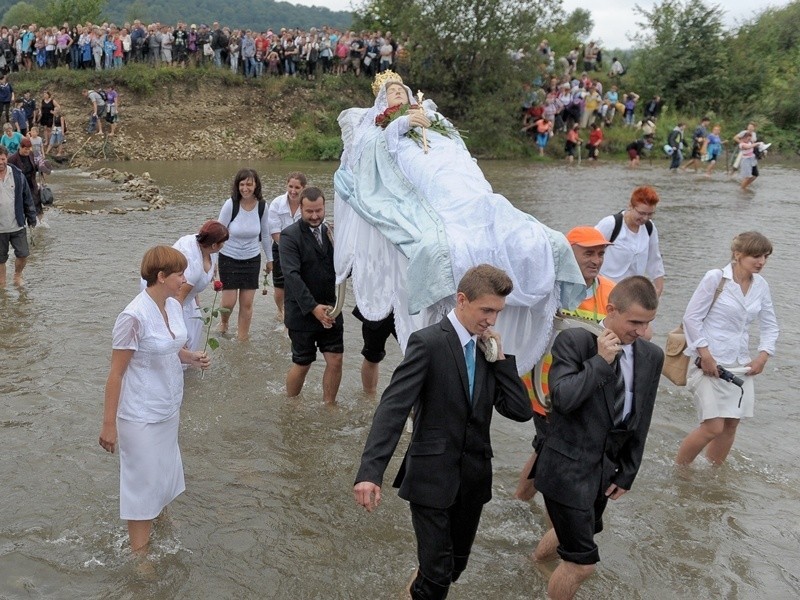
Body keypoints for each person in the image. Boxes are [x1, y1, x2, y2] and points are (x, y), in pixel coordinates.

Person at [334, 72, 585, 374]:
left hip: (448, 161)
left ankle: (487, 213)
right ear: (382, 100)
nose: (398, 94)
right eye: (391, 92)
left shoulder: (431, 113)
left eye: (402, 90)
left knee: (478, 193)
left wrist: (435, 127)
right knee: (441, 186)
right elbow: (371, 152)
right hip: (415, 162)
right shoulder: (379, 124)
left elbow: (456, 148)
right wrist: (401, 124)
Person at [354, 264, 533, 600]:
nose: (492, 320)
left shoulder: (487, 349)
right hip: (430, 477)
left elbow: (520, 411)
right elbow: (392, 410)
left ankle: (414, 589)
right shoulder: (427, 343)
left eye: (498, 312)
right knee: (437, 576)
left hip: (474, 478)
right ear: (462, 300)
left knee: (453, 569)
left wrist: (502, 360)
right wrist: (369, 473)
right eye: (486, 310)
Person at [531, 276, 663, 600]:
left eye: (647, 324)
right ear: (611, 309)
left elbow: (641, 416)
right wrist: (600, 363)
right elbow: (562, 399)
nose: (641, 331)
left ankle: (534, 562)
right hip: (566, 468)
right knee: (581, 565)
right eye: (634, 322)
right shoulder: (574, 342)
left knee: (580, 535)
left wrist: (629, 471)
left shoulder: (651, 356)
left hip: (604, 471)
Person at [98, 246, 211, 554]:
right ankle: (140, 557)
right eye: (179, 274)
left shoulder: (174, 305)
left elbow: (170, 347)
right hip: (140, 415)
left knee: (163, 473)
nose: (185, 279)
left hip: (167, 407)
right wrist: (109, 426)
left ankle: (160, 521)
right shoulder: (132, 317)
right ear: (161, 277)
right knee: (142, 484)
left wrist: (191, 357)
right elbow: (115, 375)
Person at [515, 227, 615, 501]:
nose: (596, 260)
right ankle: (560, 529)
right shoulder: (547, 287)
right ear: (568, 254)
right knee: (559, 458)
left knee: (546, 448)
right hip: (544, 392)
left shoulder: (610, 291)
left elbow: (637, 331)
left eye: (601, 254)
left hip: (584, 391)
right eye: (589, 253)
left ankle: (521, 501)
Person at [676, 232, 778, 466]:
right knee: (712, 426)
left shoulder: (761, 285)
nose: (761, 261)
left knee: (731, 424)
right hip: (708, 362)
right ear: (737, 254)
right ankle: (680, 472)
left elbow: (771, 325)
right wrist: (705, 354)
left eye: (765, 256)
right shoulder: (716, 278)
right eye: (756, 256)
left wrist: (763, 355)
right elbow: (691, 318)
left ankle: (713, 475)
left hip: (741, 364)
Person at [279, 187, 343, 404]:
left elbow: (343, 269)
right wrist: (313, 308)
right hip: (302, 312)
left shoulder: (333, 234)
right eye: (310, 212)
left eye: (319, 211)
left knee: (335, 359)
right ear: (301, 209)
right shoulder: (289, 236)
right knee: (303, 363)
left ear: (324, 207)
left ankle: (329, 405)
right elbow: (291, 276)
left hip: (332, 309)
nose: (315, 216)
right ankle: (291, 405)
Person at [216, 168, 271, 341]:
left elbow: (266, 235)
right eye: (242, 184)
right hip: (229, 257)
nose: (245, 188)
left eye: (249, 184)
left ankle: (242, 338)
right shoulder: (231, 204)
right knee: (228, 303)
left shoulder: (262, 206)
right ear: (237, 186)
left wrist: (271, 259)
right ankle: (224, 322)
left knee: (246, 304)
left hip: (252, 259)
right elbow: (218, 232)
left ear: (256, 185)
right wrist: (211, 260)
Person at [595, 186, 665, 297]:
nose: (645, 218)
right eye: (641, 213)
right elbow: (588, 252)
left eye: (650, 214)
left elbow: (655, 260)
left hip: (632, 294)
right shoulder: (611, 224)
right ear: (630, 206)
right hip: (604, 290)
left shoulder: (649, 228)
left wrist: (658, 289)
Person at [172, 220, 229, 351]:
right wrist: (176, 333)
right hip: (173, 301)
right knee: (184, 342)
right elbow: (176, 300)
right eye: (223, 243)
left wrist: (195, 295)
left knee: (195, 331)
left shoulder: (203, 243)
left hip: (188, 298)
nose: (224, 245)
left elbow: (208, 267)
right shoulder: (193, 268)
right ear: (214, 245)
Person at [266, 171, 306, 321]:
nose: (293, 191)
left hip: (303, 249)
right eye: (290, 186)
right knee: (280, 287)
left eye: (297, 187)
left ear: (304, 188)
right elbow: (274, 232)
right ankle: (281, 311)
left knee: (299, 282)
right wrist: (289, 250)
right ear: (286, 185)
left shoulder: (306, 204)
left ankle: (297, 310)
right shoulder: (277, 203)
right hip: (280, 247)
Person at [0, 144, 36, 287]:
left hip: (17, 224)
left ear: (6, 158)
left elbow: (27, 198)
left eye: (2, 159)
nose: (0, 163)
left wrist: (32, 217)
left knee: (23, 254)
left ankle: (17, 275)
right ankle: (2, 281)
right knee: (0, 259)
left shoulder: (17, 175)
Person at [8, 138, 41, 223]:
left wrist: (40, 167)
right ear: (20, 147)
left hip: (32, 185)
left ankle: (40, 225)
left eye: (29, 149)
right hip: (20, 187)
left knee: (37, 206)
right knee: (24, 207)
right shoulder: (12, 159)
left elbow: (34, 167)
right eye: (25, 149)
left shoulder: (31, 154)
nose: (27, 151)